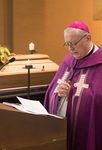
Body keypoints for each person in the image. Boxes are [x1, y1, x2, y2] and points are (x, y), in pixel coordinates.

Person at [44, 21, 102, 150]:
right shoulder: (68, 61)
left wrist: (73, 93)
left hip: (88, 127)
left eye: (73, 43)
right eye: (67, 44)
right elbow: (52, 89)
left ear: (88, 38)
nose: (70, 48)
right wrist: (57, 93)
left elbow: (99, 97)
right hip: (65, 124)